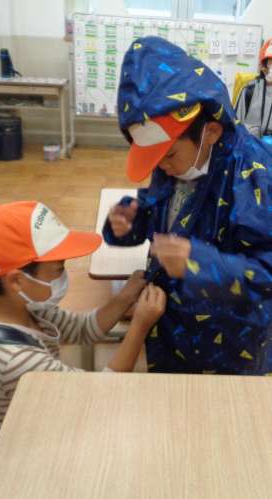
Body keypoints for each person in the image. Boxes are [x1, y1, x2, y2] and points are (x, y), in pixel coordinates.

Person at [0, 200, 166, 499]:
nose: (63, 276)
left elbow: (82, 328)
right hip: (16, 464)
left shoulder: (21, 307)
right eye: (57, 269)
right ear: (16, 280)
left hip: (37, 421)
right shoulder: (14, 361)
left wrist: (124, 297)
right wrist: (140, 326)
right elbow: (102, 391)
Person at [104, 36, 272, 375]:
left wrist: (198, 264)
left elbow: (266, 275)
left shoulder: (255, 177)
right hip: (171, 329)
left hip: (229, 345)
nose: (161, 167)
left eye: (167, 156)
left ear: (211, 132)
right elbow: (160, 213)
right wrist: (128, 223)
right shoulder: (176, 162)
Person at [236, 38, 272, 140]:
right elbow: (236, 125)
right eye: (270, 63)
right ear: (262, 66)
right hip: (251, 146)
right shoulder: (249, 91)